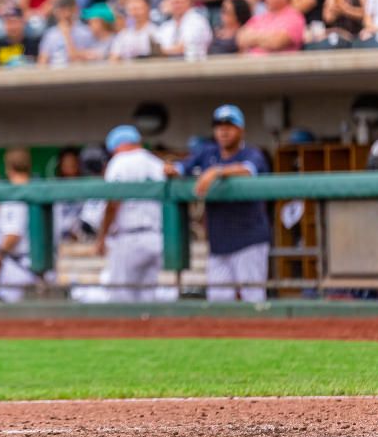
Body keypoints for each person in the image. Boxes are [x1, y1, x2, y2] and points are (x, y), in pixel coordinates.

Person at [165, 105, 270, 302]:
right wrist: (170, 168)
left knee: (254, 298)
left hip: (249, 240)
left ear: (241, 130)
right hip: (218, 242)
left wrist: (216, 171)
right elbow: (180, 168)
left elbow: (249, 170)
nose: (223, 130)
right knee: (218, 301)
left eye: (229, 125)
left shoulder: (252, 153)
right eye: (219, 125)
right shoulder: (207, 153)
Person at [96, 126, 166, 302]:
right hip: (156, 238)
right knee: (147, 300)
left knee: (121, 299)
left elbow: (113, 203)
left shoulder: (120, 161)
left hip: (130, 238)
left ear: (117, 146)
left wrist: (102, 236)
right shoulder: (157, 163)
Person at [0, 148, 40, 303]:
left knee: (10, 315)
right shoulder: (37, 188)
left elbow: (13, 234)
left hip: (19, 266)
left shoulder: (13, 194)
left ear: (9, 168)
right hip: (42, 264)